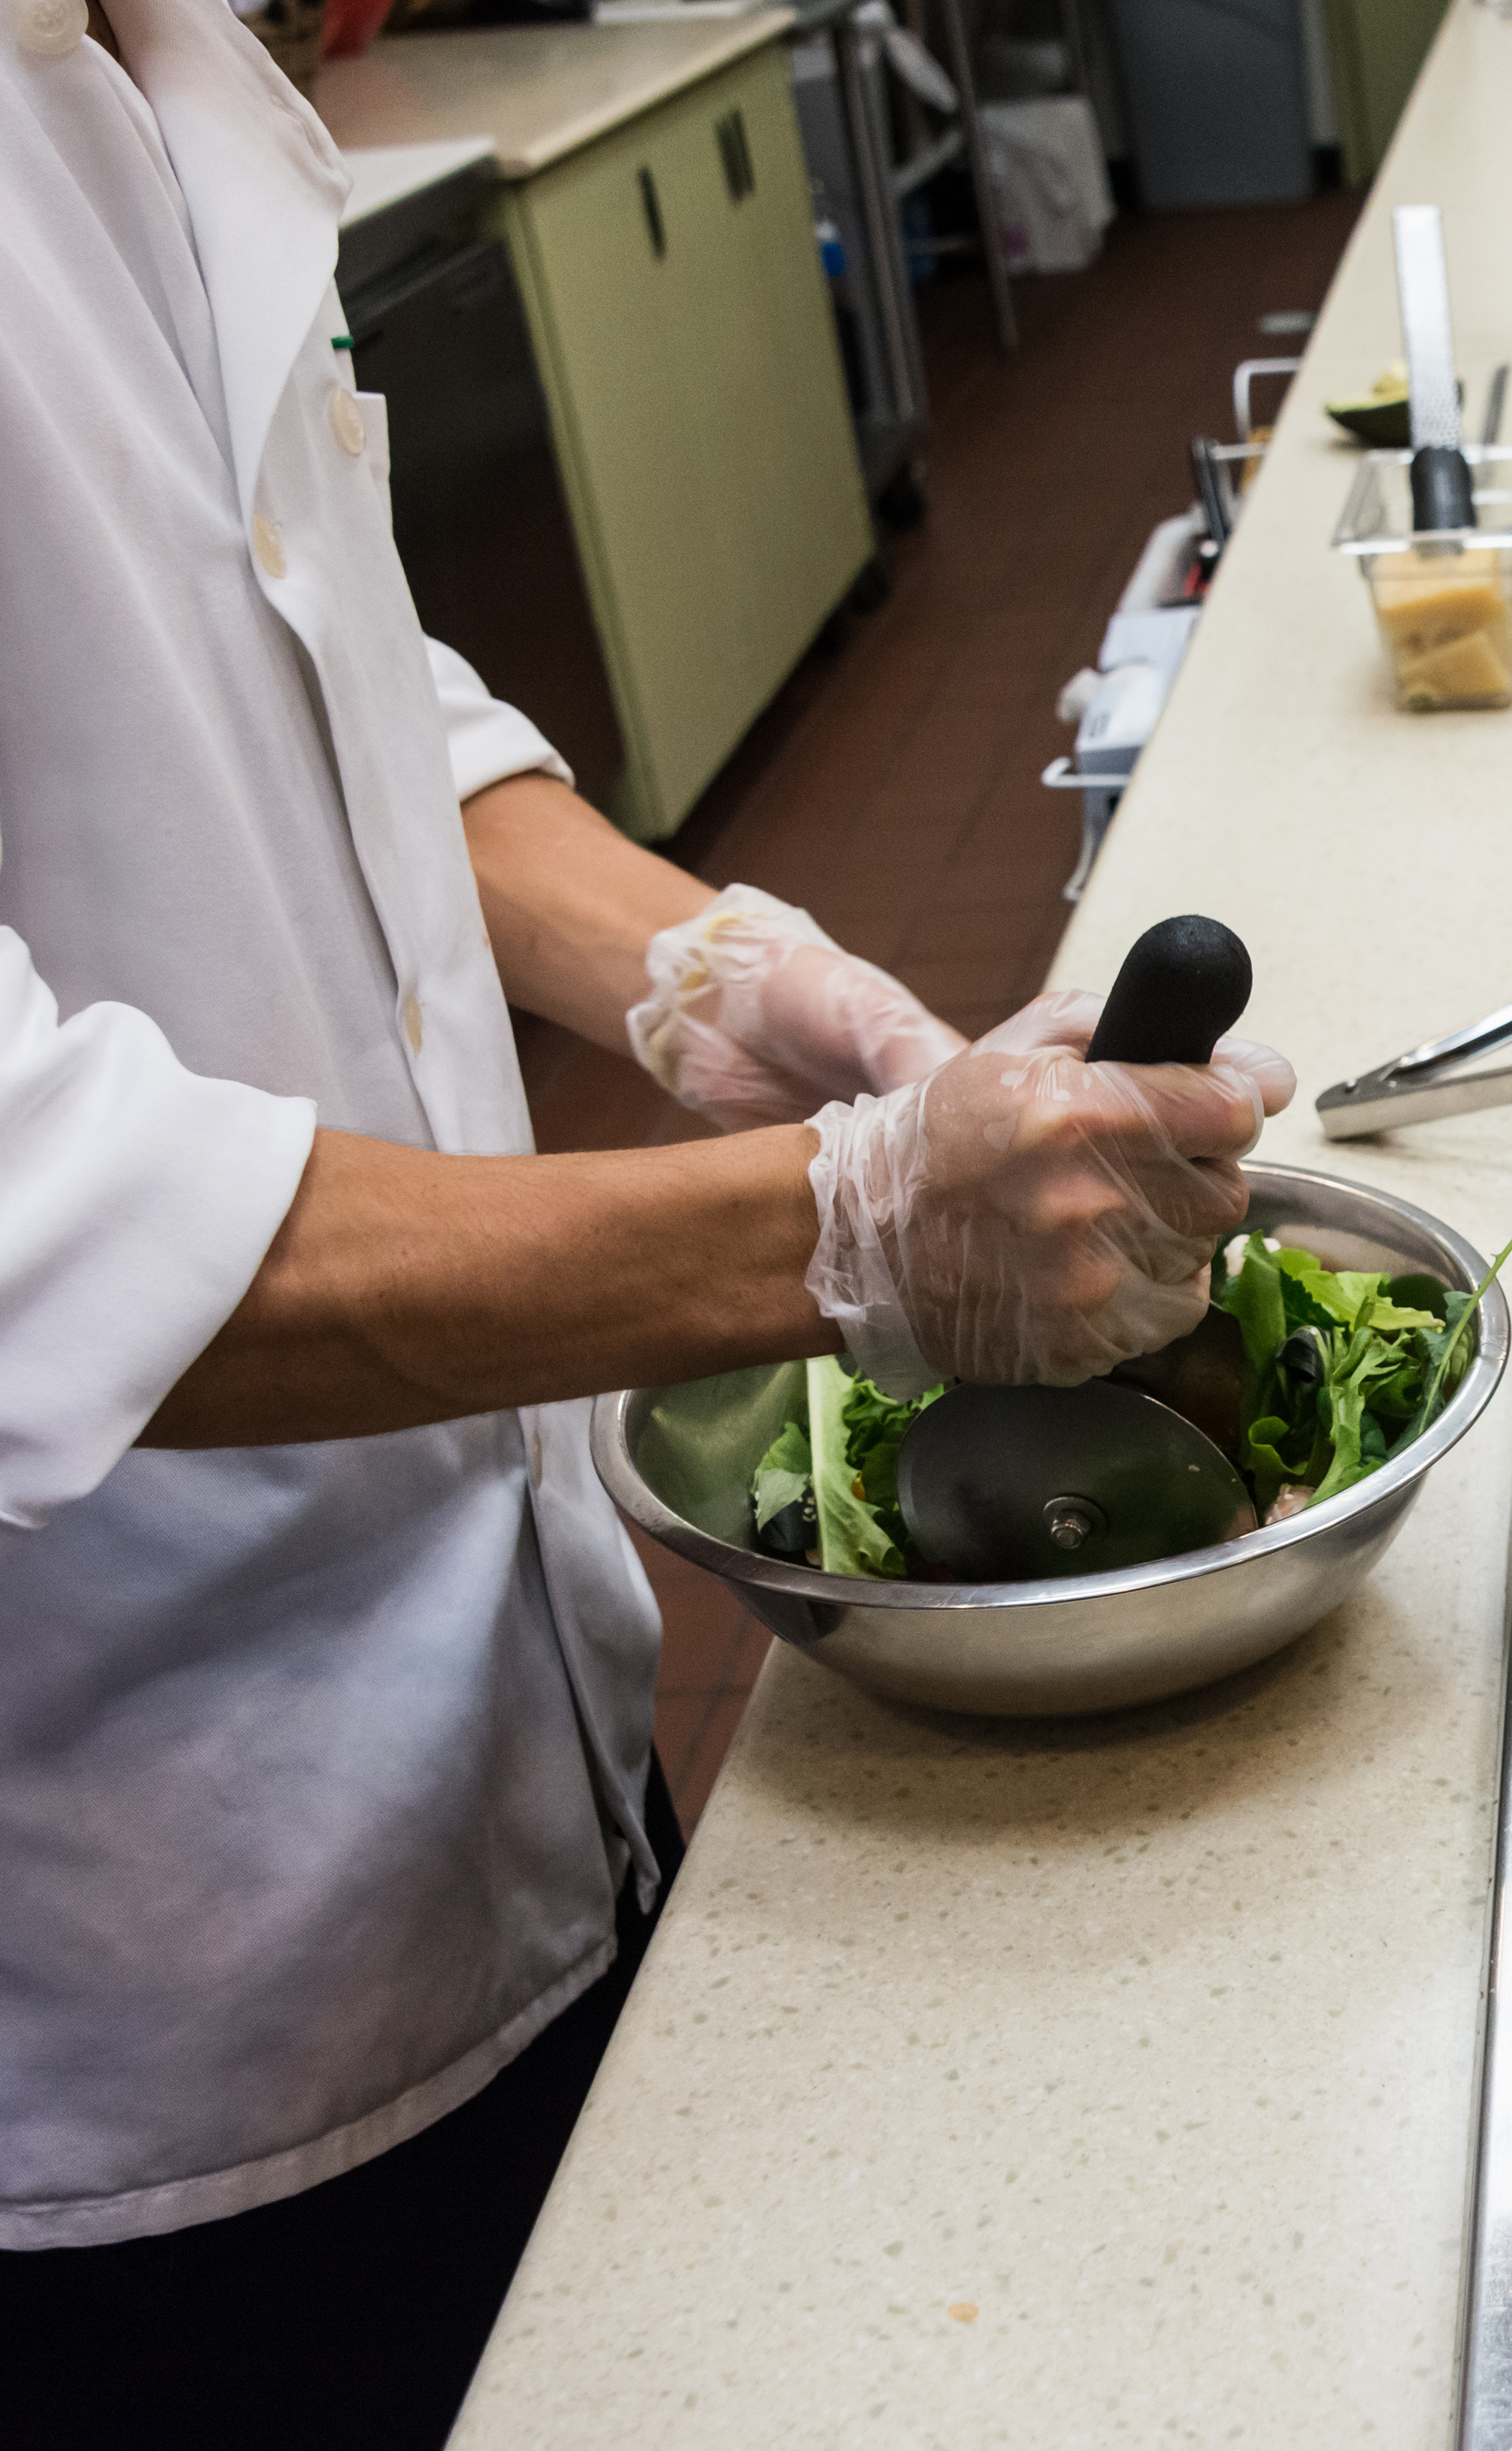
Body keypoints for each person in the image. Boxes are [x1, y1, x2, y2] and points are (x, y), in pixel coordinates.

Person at [1, 0, 1292, 2436]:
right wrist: (843, 1236)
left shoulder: (156, 59)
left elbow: (336, 659)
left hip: (516, 1722)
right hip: (142, 1959)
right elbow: (30, 1214)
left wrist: (697, 961)